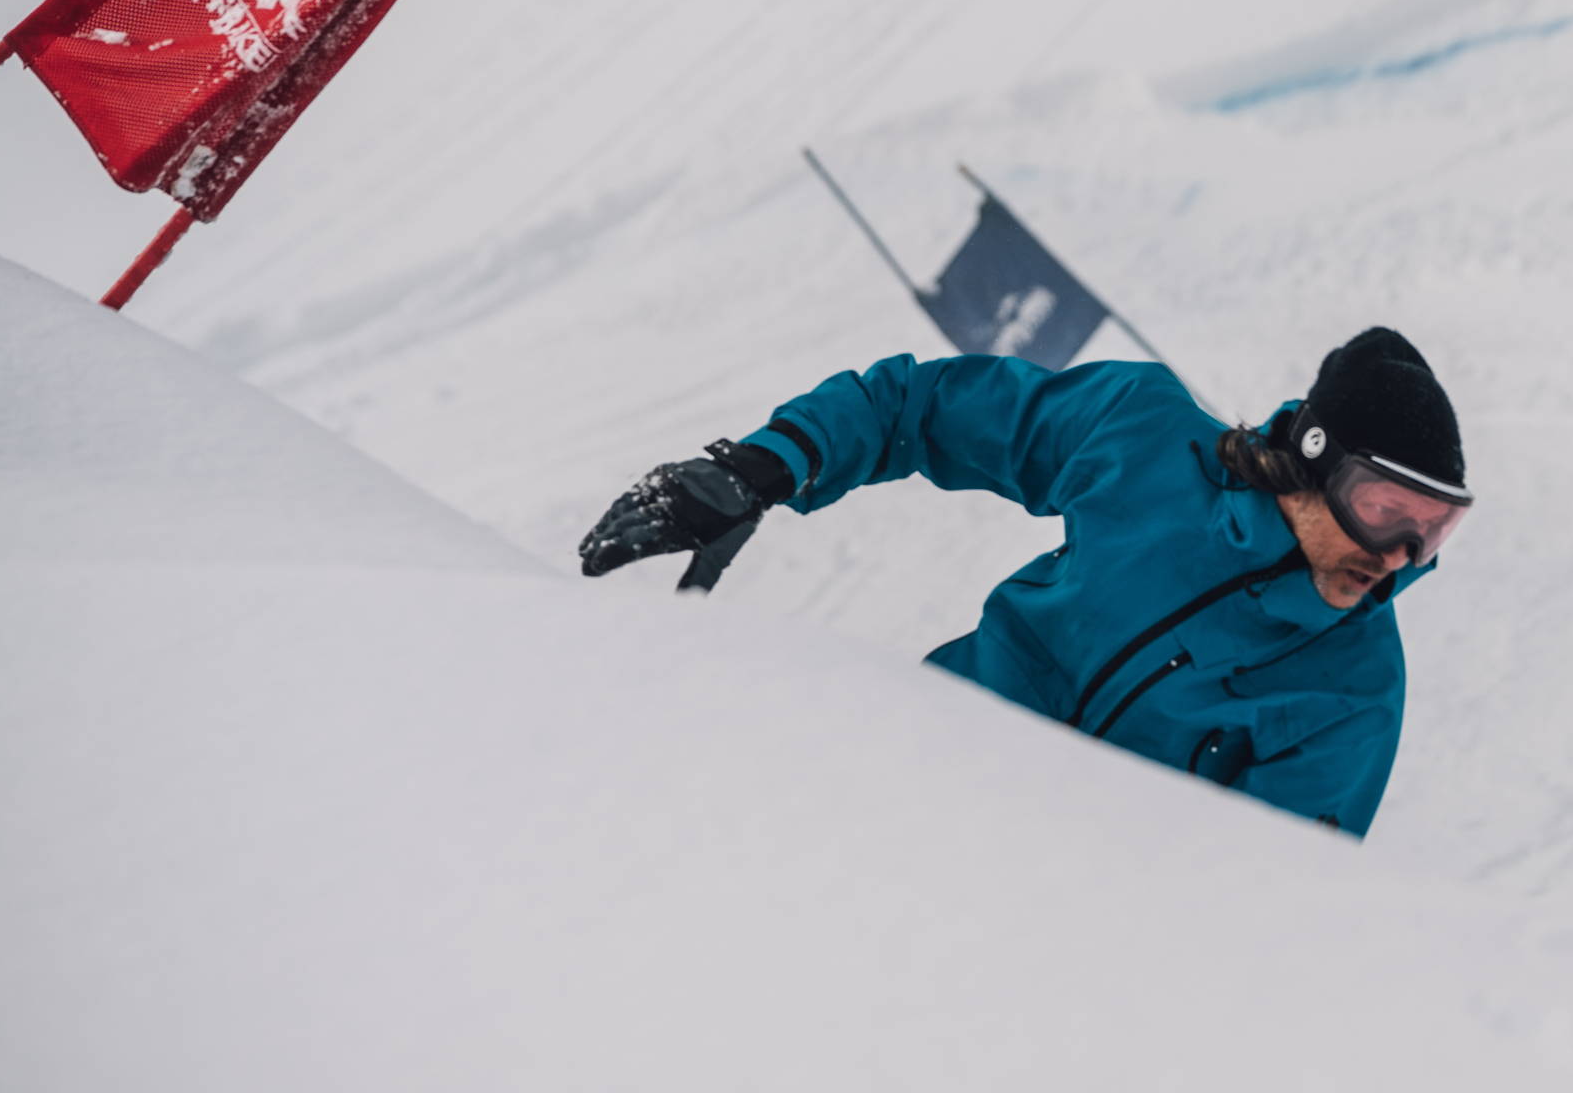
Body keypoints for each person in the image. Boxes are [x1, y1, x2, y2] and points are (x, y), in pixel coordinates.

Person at [578, 327, 1470, 838]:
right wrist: (765, 469)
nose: (1398, 556)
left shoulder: (1351, 690)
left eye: (1432, 533)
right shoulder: (1149, 440)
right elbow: (920, 409)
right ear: (1313, 458)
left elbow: (1277, 912)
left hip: (1042, 925)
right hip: (893, 777)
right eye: (1386, 509)